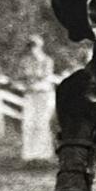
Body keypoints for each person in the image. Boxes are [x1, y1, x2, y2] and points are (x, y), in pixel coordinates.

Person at [17, 34, 57, 163]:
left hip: (44, 94)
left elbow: (46, 77)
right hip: (30, 94)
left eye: (35, 45)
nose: (32, 48)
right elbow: (21, 77)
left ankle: (43, 155)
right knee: (29, 123)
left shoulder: (47, 60)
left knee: (42, 123)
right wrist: (25, 83)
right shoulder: (24, 61)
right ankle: (29, 155)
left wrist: (33, 82)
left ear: (40, 46)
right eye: (30, 46)